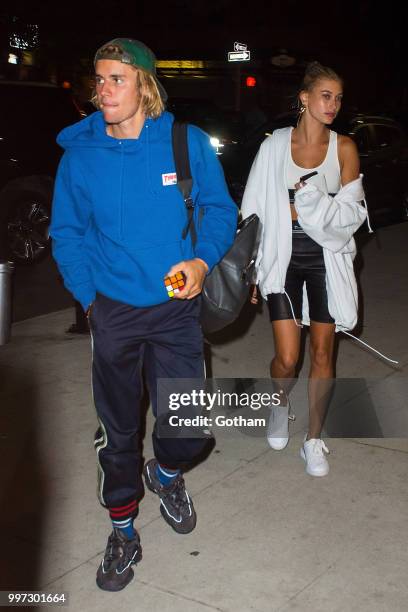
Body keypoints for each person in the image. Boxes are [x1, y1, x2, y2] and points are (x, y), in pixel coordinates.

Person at [50, 38, 237, 592]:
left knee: (187, 429)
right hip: (113, 312)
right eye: (99, 79)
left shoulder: (186, 143)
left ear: (145, 86)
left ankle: (169, 472)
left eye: (117, 79)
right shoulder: (80, 156)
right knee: (119, 431)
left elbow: (219, 209)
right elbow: (68, 233)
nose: (103, 89)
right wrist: (89, 298)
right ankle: (124, 532)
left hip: (177, 309)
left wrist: (202, 262)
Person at [241, 61, 369, 478]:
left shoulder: (344, 148)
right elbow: (255, 210)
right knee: (287, 357)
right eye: (325, 95)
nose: (333, 104)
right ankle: (279, 405)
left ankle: (313, 439)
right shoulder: (274, 146)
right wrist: (251, 267)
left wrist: (311, 205)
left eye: (338, 97)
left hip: (326, 259)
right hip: (283, 257)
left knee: (321, 352)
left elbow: (352, 214)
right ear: (305, 97)